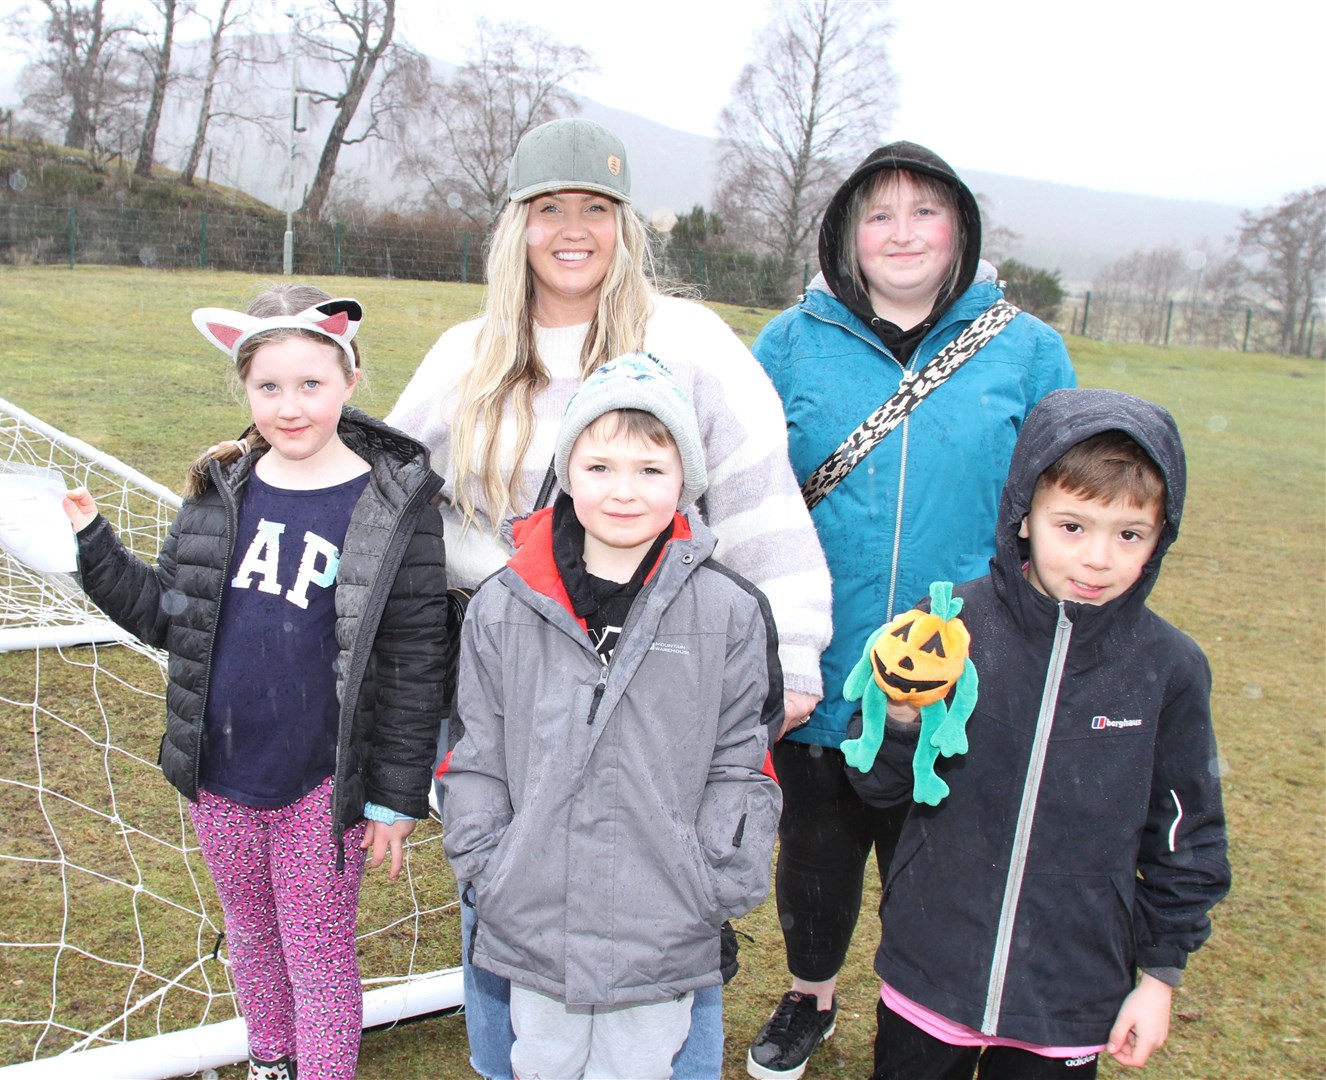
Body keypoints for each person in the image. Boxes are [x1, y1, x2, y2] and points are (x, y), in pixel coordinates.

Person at [388, 116, 832, 1079]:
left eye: (596, 207)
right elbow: (389, 490)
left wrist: (791, 649)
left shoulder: (689, 341)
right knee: (509, 906)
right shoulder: (469, 354)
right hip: (503, 672)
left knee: (664, 909)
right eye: (550, 208)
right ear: (519, 225)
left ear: (626, 225)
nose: (573, 228)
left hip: (662, 672)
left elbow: (756, 493)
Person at [748, 141, 1076, 1080]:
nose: (902, 233)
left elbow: (1065, 499)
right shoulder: (791, 342)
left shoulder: (1027, 349)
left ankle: (925, 1009)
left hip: (964, 663)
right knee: (815, 846)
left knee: (936, 854)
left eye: (923, 212)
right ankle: (810, 994)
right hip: (819, 650)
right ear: (847, 233)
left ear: (960, 229)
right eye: (879, 214)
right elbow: (744, 491)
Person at [62, 285, 445, 1080]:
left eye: (311, 384)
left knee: (316, 952)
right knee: (252, 935)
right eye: (269, 386)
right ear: (244, 388)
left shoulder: (393, 504)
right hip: (221, 775)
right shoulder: (219, 488)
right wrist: (93, 546)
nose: (290, 405)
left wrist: (396, 798)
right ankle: (271, 1061)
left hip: (322, 782)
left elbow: (414, 661)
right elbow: (170, 616)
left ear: (350, 379)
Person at [849, 387, 1230, 1078]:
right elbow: (875, 784)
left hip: (1071, 988)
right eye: (1073, 527)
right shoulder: (951, 628)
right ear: (1024, 517)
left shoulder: (1169, 668)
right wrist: (902, 715)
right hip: (933, 960)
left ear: (1161, 535)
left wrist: (1160, 977)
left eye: (1130, 535)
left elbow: (1187, 834)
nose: (1097, 559)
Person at [442, 353, 783, 1080]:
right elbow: (476, 751)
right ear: (567, 472)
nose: (623, 491)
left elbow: (743, 760)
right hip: (533, 905)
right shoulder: (504, 605)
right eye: (599, 468)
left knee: (639, 1065)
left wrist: (710, 877)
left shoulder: (728, 611)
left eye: (650, 470)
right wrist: (489, 867)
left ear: (685, 481)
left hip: (661, 915)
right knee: (542, 1061)